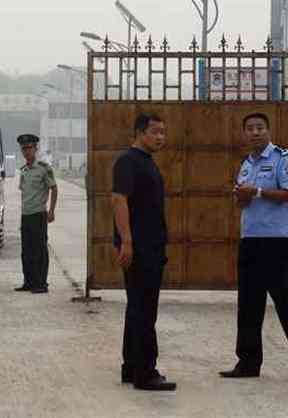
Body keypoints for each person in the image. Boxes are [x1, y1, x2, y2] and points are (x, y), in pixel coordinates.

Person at [220, 112, 288, 384]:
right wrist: (241, 197)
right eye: (250, 129)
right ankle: (248, 362)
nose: (255, 132)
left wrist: (256, 192)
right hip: (250, 240)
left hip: (276, 241)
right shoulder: (246, 164)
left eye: (259, 128)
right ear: (244, 133)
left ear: (268, 131)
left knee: (285, 302)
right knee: (248, 303)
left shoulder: (282, 158)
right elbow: (242, 202)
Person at [112, 112, 176, 391]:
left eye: (163, 132)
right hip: (140, 247)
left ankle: (131, 367)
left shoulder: (146, 162)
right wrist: (127, 241)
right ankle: (146, 373)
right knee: (144, 310)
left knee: (137, 307)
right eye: (155, 132)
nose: (160, 137)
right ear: (140, 132)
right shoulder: (128, 161)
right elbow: (118, 199)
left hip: (149, 245)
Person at [15, 134, 58, 294]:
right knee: (26, 250)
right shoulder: (24, 171)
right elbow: (24, 191)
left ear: (35, 149)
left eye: (29, 148)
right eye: (23, 149)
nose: (26, 151)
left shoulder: (43, 168)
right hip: (26, 215)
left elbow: (54, 188)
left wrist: (51, 210)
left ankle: (41, 283)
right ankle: (29, 281)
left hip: (39, 215)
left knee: (40, 250)